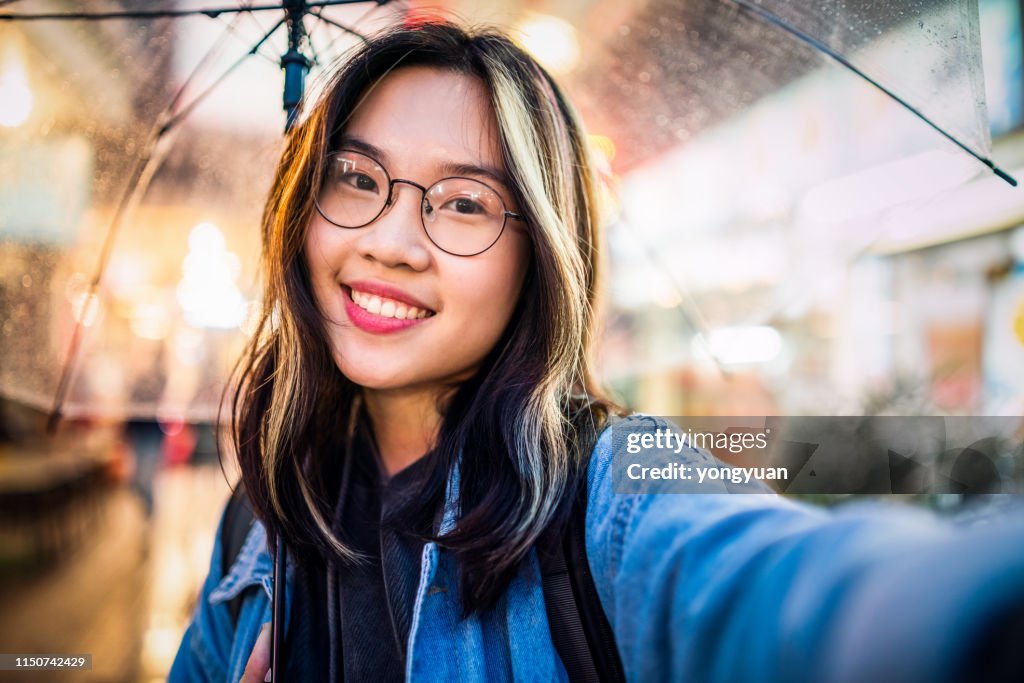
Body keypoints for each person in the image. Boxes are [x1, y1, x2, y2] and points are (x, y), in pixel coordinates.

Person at [169, 20, 1024, 683]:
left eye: (463, 203)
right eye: (355, 178)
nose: (392, 241)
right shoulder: (261, 520)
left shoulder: (616, 482)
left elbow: (799, 589)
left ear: (538, 254)